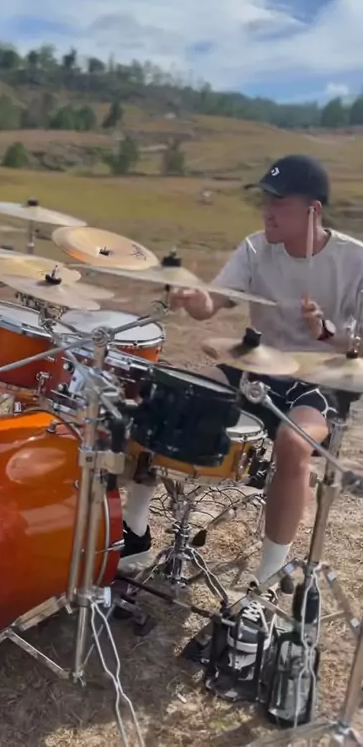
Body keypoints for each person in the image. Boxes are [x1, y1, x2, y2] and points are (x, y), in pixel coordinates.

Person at [119, 153, 363, 660]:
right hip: (256, 365)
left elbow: (358, 348)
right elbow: (212, 306)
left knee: (294, 444)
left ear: (313, 211)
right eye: (264, 202)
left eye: (279, 204)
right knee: (167, 398)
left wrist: (329, 334)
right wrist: (192, 297)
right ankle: (135, 532)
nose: (267, 213)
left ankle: (267, 581)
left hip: (318, 382)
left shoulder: (354, 260)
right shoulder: (255, 248)